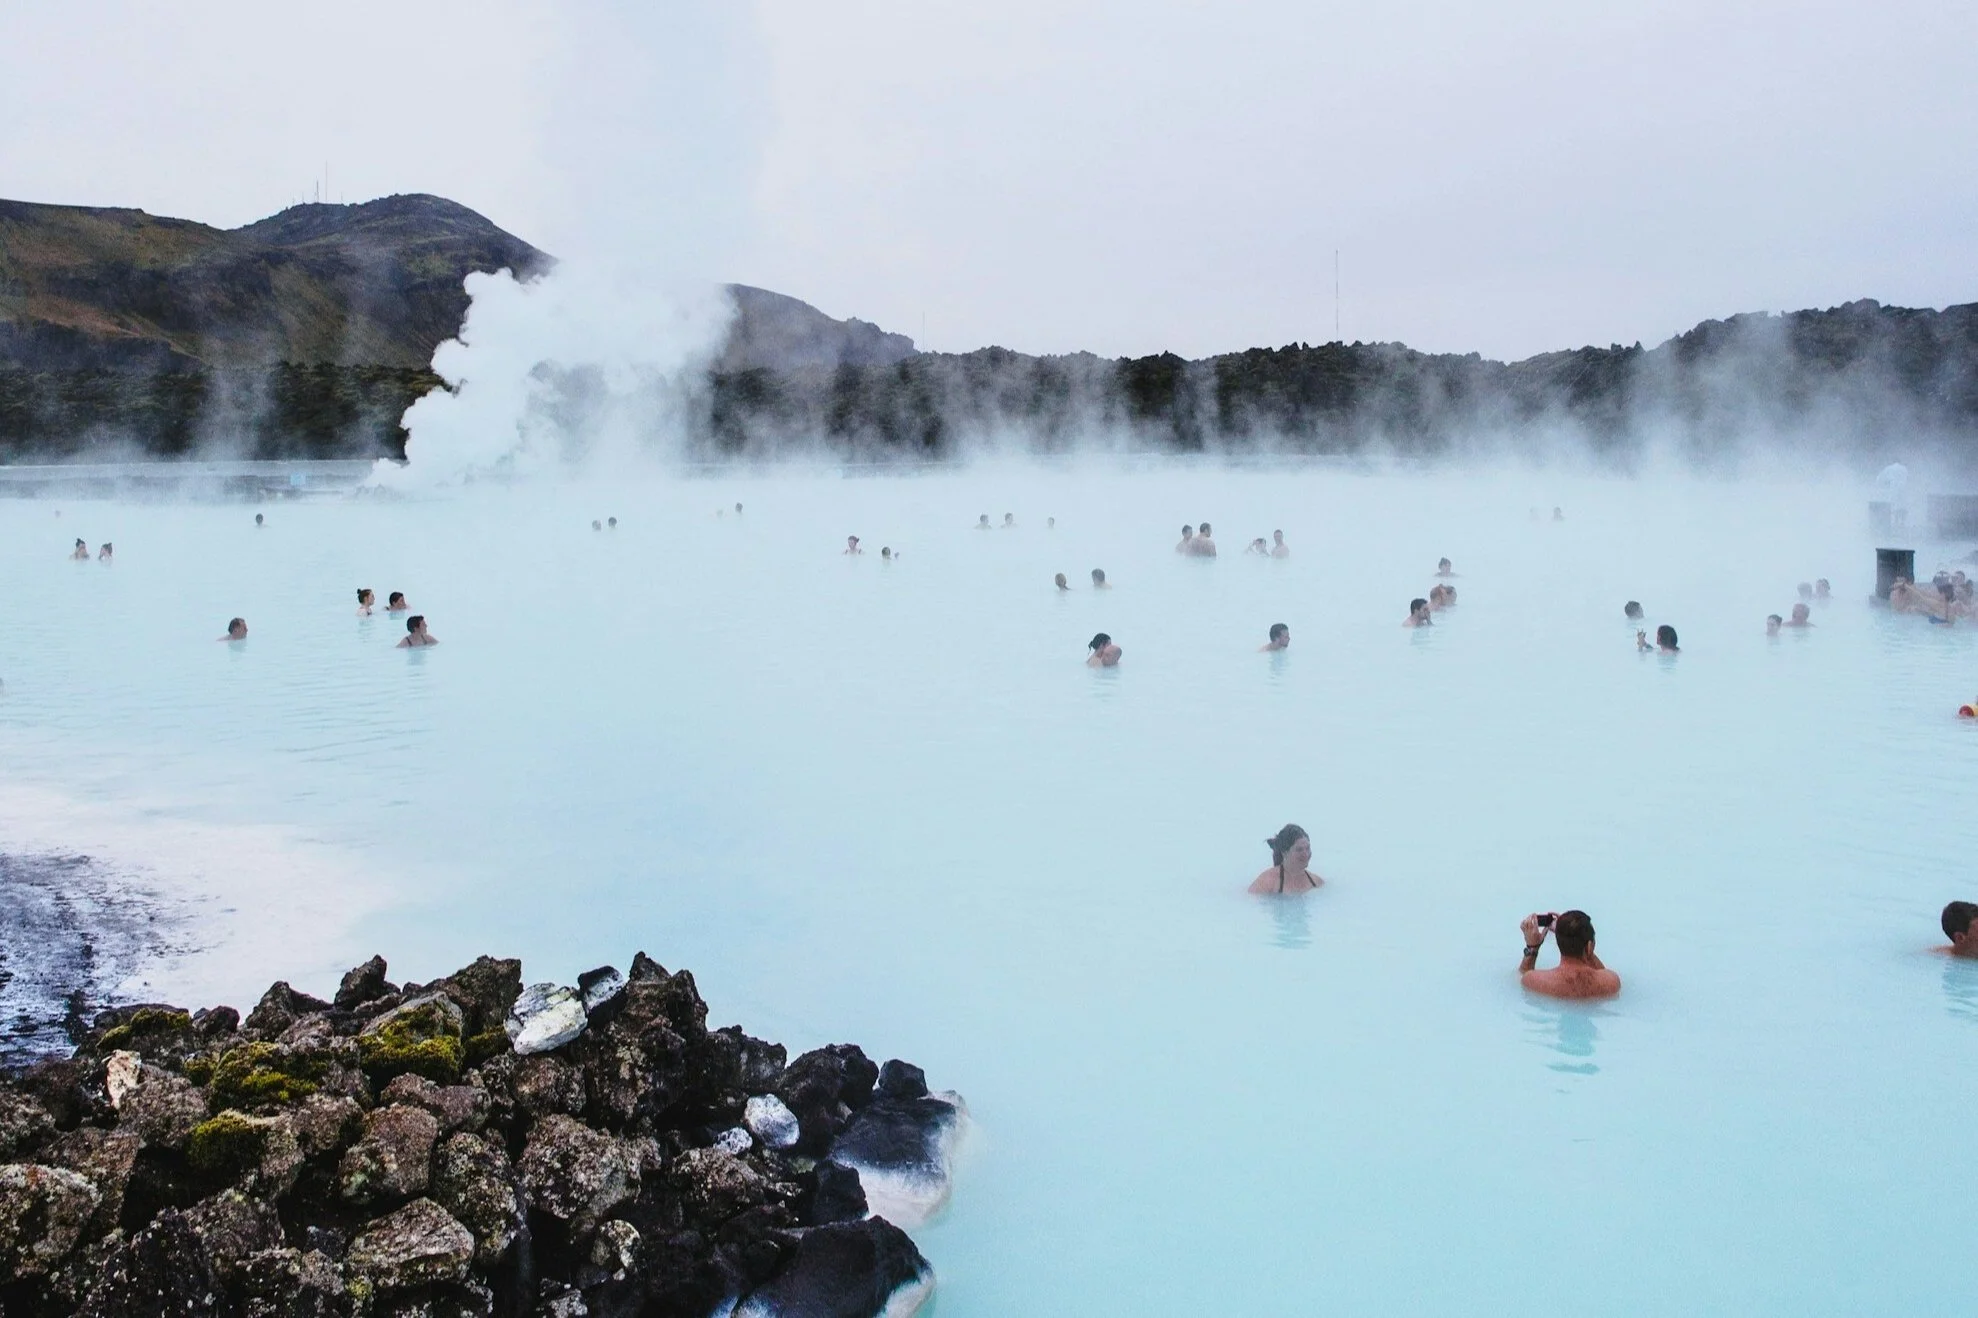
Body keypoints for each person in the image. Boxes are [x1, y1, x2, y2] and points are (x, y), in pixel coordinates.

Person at [1518, 911, 1620, 999]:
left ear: (1559, 943)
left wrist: (1533, 947)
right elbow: (1603, 972)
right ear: (1589, 946)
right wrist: (1589, 952)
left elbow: (1521, 977)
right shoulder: (1611, 982)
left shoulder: (1534, 980)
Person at [1249, 824, 1322, 894]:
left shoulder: (1317, 883)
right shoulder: (1267, 882)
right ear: (1284, 853)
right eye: (1299, 850)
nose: (1306, 854)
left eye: (1308, 848)